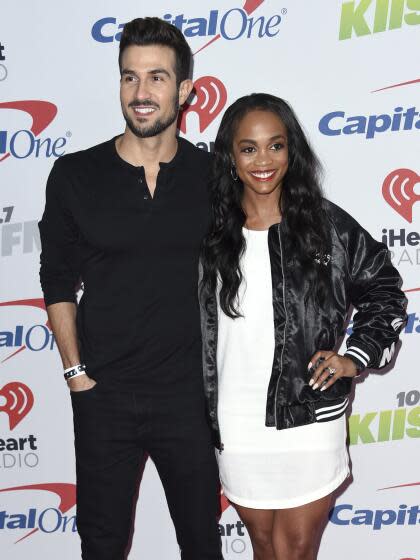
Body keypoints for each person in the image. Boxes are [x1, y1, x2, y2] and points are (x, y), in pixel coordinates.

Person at [39, 17, 222, 560]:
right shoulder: (75, 174)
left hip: (188, 398)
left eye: (157, 78)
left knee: (201, 544)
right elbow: (56, 277)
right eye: (129, 78)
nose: (141, 94)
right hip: (104, 397)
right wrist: (76, 375)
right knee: (101, 544)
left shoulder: (213, 176)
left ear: (185, 90)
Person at [199, 93, 407, 560]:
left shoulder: (324, 225)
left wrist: (355, 356)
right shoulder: (209, 233)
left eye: (276, 145)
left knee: (294, 548)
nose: (263, 160)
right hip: (236, 420)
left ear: (291, 151)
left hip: (310, 415)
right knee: (265, 547)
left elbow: (385, 290)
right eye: (248, 148)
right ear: (230, 157)